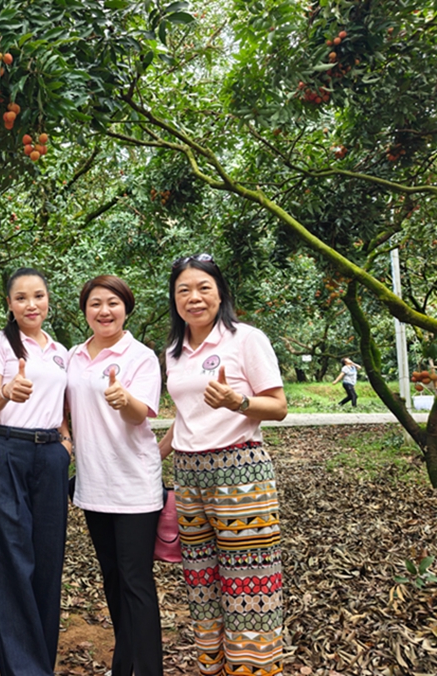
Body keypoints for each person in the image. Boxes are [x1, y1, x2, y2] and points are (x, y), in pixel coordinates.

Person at [159, 253, 288, 676]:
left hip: (240, 470)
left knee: (248, 581)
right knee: (202, 583)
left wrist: (239, 401)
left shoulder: (246, 339)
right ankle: (212, 667)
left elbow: (279, 406)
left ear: (220, 294)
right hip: (189, 474)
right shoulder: (174, 351)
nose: (194, 298)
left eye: (203, 288)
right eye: (184, 290)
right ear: (175, 300)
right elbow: (185, 417)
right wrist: (151, 458)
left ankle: (253, 669)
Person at [0, 267, 71, 676]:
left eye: (38, 296)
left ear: (48, 300)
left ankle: (40, 664)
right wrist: (7, 391)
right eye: (21, 298)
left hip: (49, 455)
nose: (31, 304)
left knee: (48, 560)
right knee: (11, 559)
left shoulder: (60, 350)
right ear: (9, 305)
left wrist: (66, 443)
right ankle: (24, 670)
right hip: (5, 450)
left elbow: (65, 405)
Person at [66, 275, 164, 676]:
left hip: (134, 483)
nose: (104, 311)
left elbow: (141, 413)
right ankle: (124, 666)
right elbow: (63, 411)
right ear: (85, 310)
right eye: (95, 304)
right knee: (111, 578)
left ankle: (149, 669)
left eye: (112, 303)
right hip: (93, 484)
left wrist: (124, 400)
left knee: (136, 581)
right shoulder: (73, 355)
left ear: (126, 308)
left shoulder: (140, 356)